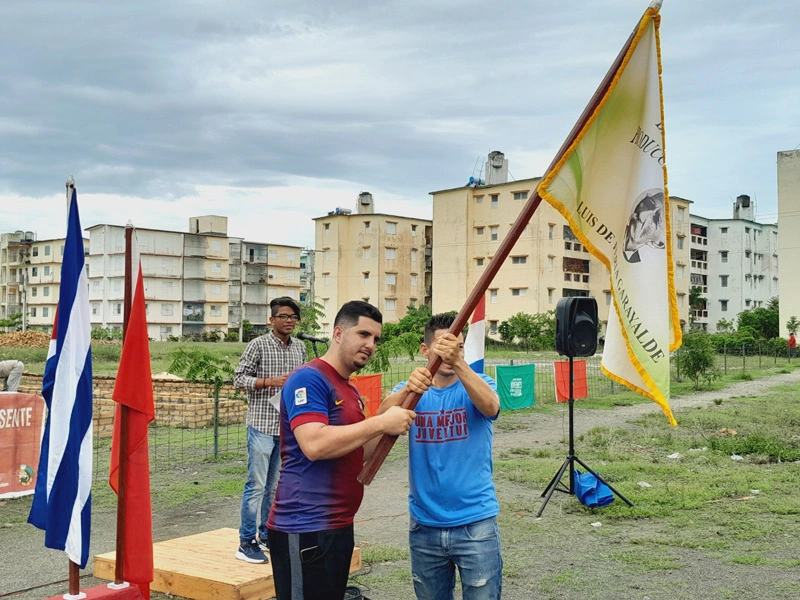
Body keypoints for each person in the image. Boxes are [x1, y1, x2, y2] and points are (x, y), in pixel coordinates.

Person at [267, 300, 416, 600]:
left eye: (376, 339)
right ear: (338, 333)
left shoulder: (349, 388)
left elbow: (359, 451)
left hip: (337, 526)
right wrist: (380, 422)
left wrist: (396, 413)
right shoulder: (309, 378)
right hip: (304, 527)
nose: (371, 345)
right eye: (363, 334)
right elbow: (314, 444)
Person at [382, 312, 503, 600]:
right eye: (444, 346)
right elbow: (380, 419)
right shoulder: (412, 392)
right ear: (425, 350)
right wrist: (408, 388)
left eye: (458, 347)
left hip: (475, 523)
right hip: (424, 524)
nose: (451, 353)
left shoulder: (479, 383)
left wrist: (458, 363)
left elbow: (492, 407)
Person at [233, 297, 307, 564]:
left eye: (293, 317)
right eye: (284, 316)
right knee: (256, 485)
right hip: (262, 425)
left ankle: (266, 534)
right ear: (271, 319)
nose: (289, 321)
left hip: (285, 427)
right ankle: (246, 542)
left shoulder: (300, 347)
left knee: (274, 486)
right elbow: (238, 379)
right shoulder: (258, 345)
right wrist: (269, 382)